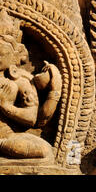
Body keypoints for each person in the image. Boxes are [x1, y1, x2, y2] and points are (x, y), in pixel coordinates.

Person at [0, 10, 61, 161]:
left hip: (6, 135)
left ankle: (73, 158)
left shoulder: (20, 81)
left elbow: (31, 118)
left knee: (44, 149)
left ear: (15, 56)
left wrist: (6, 107)